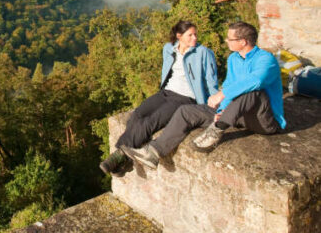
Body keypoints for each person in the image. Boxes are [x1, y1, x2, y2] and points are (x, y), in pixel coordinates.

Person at [122, 21, 286, 168]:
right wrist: (222, 109)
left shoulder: (266, 59)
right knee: (186, 111)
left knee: (253, 91)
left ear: (243, 42)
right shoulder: (233, 59)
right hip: (235, 115)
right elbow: (229, 84)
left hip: (263, 119)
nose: (226, 41)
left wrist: (222, 95)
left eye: (230, 39)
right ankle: (154, 152)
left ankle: (216, 130)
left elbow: (255, 81)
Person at [99, 20, 219, 176]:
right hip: (166, 92)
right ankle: (126, 160)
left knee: (151, 122)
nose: (195, 38)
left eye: (195, 34)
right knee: (137, 114)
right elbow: (167, 72)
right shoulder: (168, 49)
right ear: (179, 36)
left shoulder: (203, 53)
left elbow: (211, 80)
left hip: (185, 98)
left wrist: (212, 103)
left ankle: (119, 155)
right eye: (190, 35)